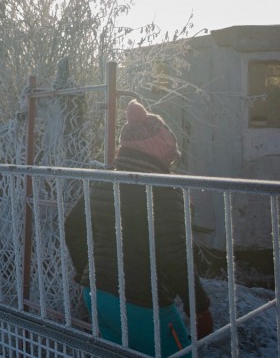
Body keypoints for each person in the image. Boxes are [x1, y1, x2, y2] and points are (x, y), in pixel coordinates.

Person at [64, 99, 214, 357]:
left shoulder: (104, 180)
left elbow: (72, 226)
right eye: (169, 155)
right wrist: (199, 307)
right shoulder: (163, 189)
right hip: (141, 302)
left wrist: (87, 272)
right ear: (158, 151)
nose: (171, 163)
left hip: (97, 294)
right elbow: (174, 254)